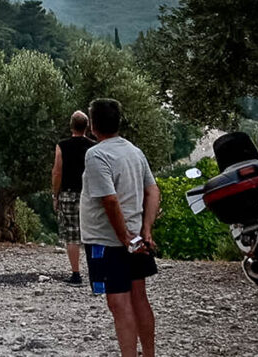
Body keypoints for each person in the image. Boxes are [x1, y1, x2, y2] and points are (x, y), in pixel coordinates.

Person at [80, 98, 161, 357]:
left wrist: (123, 237)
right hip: (137, 238)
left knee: (119, 302)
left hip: (108, 241)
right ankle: (148, 354)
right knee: (140, 298)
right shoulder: (134, 151)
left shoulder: (96, 154)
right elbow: (153, 190)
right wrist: (146, 230)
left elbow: (110, 200)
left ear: (93, 125)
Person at [52, 110, 95, 285]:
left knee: (72, 234)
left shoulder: (62, 146)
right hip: (90, 194)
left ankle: (76, 274)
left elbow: (57, 171)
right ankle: (96, 272)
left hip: (69, 193)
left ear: (71, 126)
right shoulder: (94, 146)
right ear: (87, 126)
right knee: (93, 234)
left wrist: (55, 195)